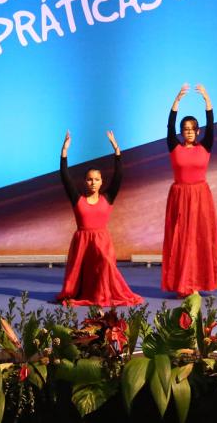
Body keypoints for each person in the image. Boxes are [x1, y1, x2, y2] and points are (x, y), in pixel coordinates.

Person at [55, 130, 142, 306]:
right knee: (85, 273)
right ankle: (87, 293)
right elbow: (65, 178)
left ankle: (103, 295)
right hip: (82, 242)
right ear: (84, 182)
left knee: (105, 265)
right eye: (89, 179)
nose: (93, 182)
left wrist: (117, 151)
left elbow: (118, 176)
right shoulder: (77, 199)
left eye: (96, 179)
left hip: (102, 241)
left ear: (102, 181)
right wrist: (64, 153)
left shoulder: (107, 197)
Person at [162, 83, 217, 296]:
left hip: (200, 197)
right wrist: (176, 101)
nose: (188, 132)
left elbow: (211, 125)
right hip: (179, 197)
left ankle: (197, 282)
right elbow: (169, 126)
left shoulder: (205, 146)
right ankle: (182, 283)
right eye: (185, 129)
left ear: (198, 131)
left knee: (199, 239)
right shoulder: (174, 147)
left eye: (192, 129)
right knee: (181, 240)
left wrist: (207, 100)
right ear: (182, 132)